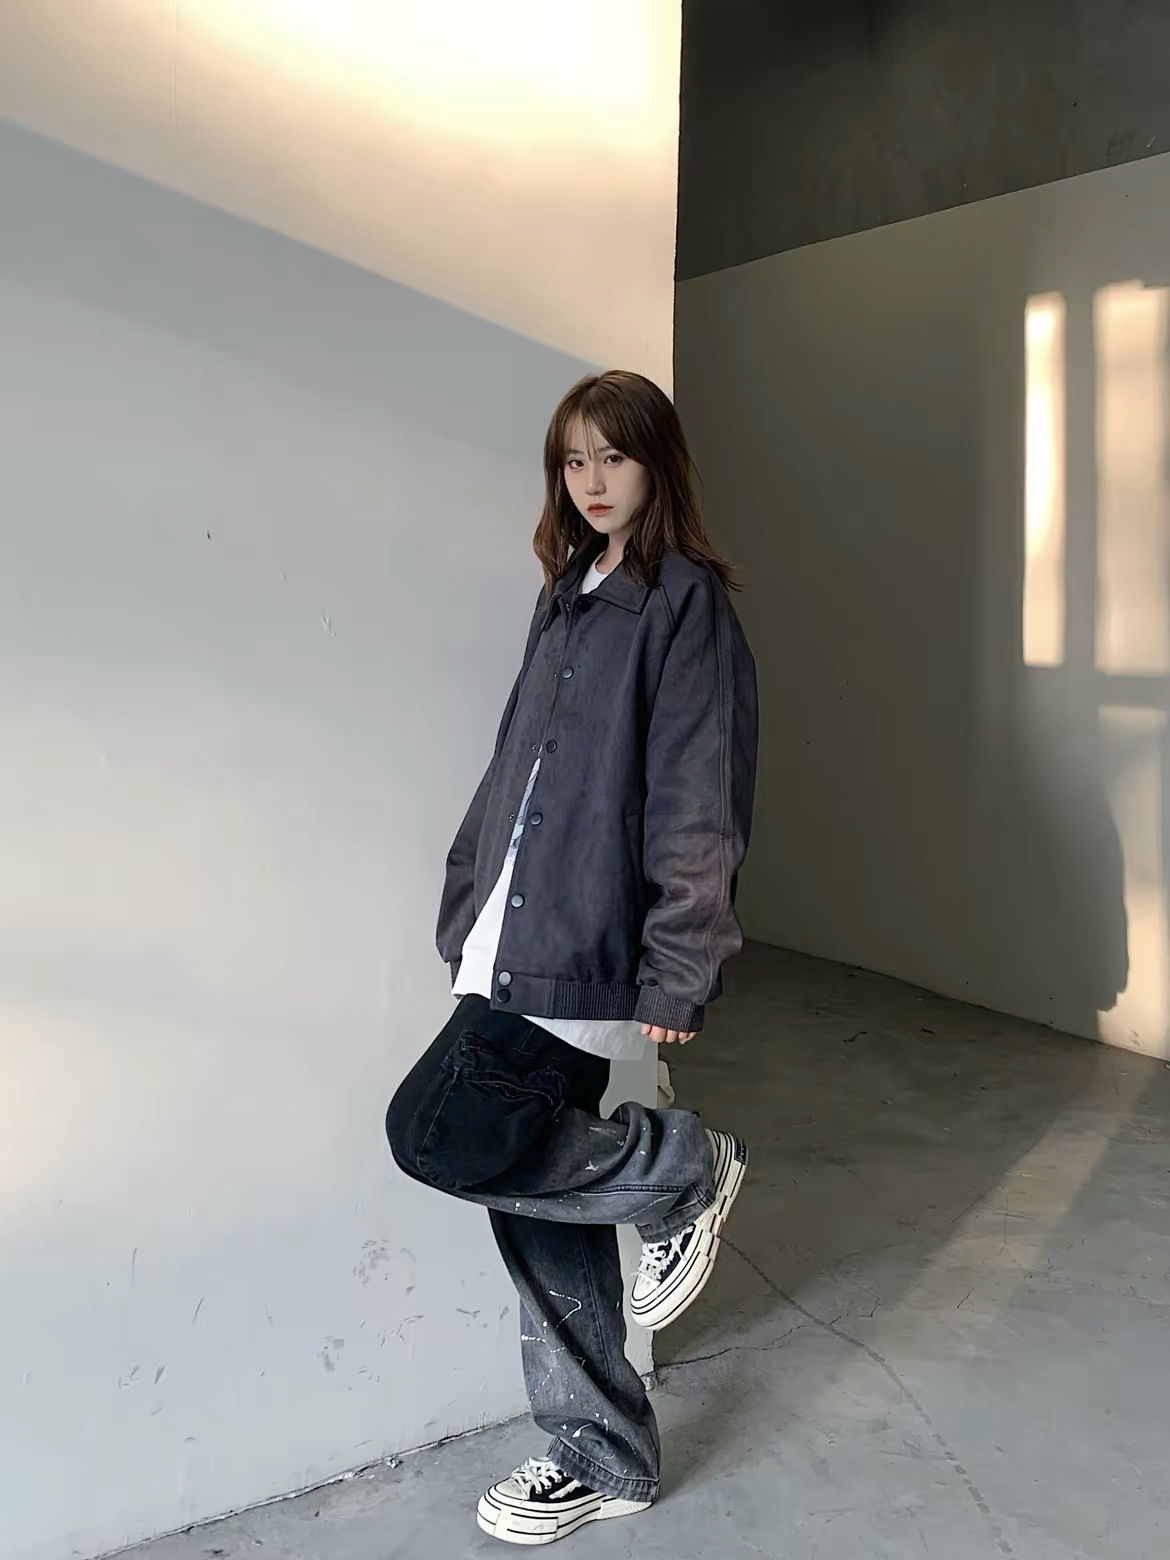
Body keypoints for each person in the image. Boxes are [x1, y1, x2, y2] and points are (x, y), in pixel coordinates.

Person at [385, 369, 758, 1546]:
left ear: (658, 463)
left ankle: (678, 1171)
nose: (592, 481)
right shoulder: (568, 591)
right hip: (514, 933)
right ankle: (607, 1457)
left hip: (588, 940)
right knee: (530, 1196)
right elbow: (517, 764)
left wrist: (681, 964)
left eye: (615, 456)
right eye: (573, 460)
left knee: (440, 1133)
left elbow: (699, 797)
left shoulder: (684, 602)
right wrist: (468, 895)